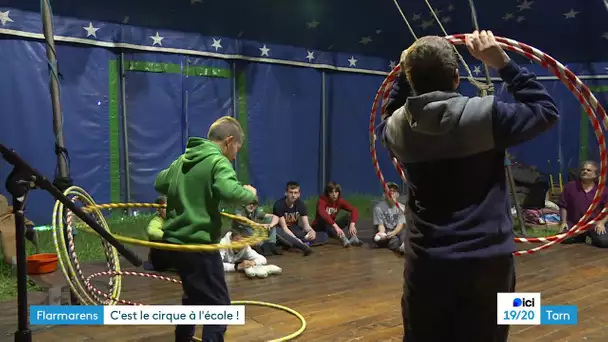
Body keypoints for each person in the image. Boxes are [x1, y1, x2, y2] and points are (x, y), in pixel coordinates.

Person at [378, 31, 559, 342]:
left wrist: (405, 73)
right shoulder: (487, 114)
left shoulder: (396, 129)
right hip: (487, 260)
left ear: (409, 78)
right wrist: (502, 63)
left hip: (427, 262)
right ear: (456, 76)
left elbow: (388, 113)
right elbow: (546, 111)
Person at [154, 116, 257, 342]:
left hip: (175, 244)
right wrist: (250, 192)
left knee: (193, 296)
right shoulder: (218, 162)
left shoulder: (183, 160)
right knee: (219, 306)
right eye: (237, 147)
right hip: (199, 245)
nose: (236, 153)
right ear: (229, 141)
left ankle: (183, 338)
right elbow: (230, 192)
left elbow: (160, 182)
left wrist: (184, 187)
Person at [559, 160, 608, 247]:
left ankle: (593, 238)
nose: (585, 171)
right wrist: (563, 222)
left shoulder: (602, 190)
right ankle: (580, 236)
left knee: (604, 242)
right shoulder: (569, 187)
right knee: (563, 238)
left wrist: (602, 222)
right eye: (583, 170)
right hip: (574, 224)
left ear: (595, 175)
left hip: (594, 224)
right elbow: (563, 206)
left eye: (588, 170)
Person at [272, 181, 317, 255]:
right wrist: (296, 239)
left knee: (322, 236)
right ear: (286, 193)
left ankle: (294, 243)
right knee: (279, 234)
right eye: (291, 192)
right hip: (281, 230)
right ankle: (301, 245)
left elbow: (306, 226)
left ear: (299, 194)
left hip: (294, 229)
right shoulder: (279, 205)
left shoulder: (301, 204)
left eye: (295, 193)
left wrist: (312, 231)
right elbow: (284, 228)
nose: (293, 195)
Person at [312, 181, 363, 247]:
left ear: (339, 193)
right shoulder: (322, 200)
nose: (334, 194)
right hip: (319, 227)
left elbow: (354, 209)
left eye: (336, 192)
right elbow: (322, 213)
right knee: (326, 222)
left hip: (331, 227)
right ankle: (344, 239)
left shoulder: (340, 201)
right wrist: (336, 227)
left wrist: (352, 224)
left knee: (348, 216)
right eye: (331, 192)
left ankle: (353, 237)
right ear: (327, 193)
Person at [372, 182, 406, 253]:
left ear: (397, 194)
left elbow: (400, 224)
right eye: (389, 191)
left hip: (397, 230)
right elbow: (380, 225)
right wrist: (382, 233)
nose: (392, 193)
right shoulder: (378, 208)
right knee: (393, 240)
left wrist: (394, 232)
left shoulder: (401, 207)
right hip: (386, 231)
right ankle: (400, 249)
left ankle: (405, 245)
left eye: (394, 191)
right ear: (384, 194)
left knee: (404, 232)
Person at [143, 195, 173, 272]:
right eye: (164, 208)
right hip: (160, 259)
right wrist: (170, 236)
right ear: (158, 209)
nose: (168, 210)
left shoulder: (174, 220)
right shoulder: (156, 221)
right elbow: (151, 231)